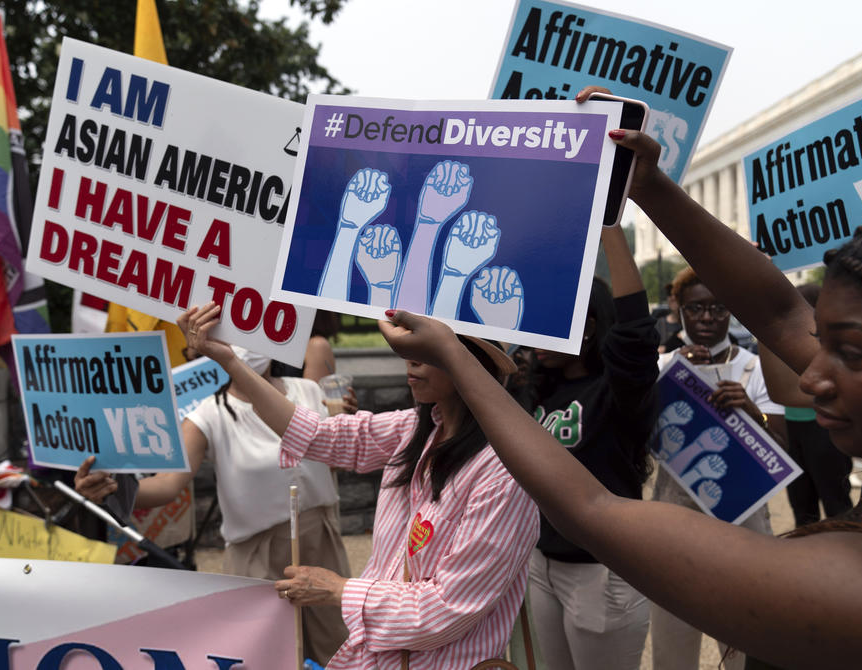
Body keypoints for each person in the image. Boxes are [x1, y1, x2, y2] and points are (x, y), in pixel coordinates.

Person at [375, 87, 862, 668]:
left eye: (851, 352)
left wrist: (455, 358)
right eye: (821, 342)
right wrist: (649, 186)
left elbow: (593, 510)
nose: (810, 378)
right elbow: (780, 311)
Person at [180, 302, 539, 670]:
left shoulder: (503, 473)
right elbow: (317, 434)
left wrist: (338, 589)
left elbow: (445, 609)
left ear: (471, 362)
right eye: (407, 348)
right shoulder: (414, 429)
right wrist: (230, 361)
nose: (410, 361)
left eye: (426, 350)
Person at [75, 345, 352, 666]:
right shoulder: (209, 413)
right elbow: (167, 485)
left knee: (338, 647)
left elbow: (336, 460)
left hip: (320, 539)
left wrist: (347, 423)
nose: (246, 346)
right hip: (256, 555)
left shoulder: (309, 390)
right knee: (263, 655)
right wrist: (111, 488)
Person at [507, 225, 657, 670]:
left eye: (550, 321)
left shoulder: (616, 391)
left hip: (602, 572)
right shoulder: (533, 389)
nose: (536, 336)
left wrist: (609, 225)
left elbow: (635, 329)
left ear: (588, 327)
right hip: (542, 564)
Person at [650, 266, 787, 670]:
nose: (707, 318)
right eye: (696, 309)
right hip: (676, 518)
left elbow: (781, 445)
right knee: (672, 640)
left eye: (717, 308)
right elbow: (639, 436)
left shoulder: (755, 368)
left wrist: (748, 409)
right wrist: (672, 380)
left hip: (743, 515)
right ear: (680, 309)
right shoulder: (661, 367)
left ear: (730, 312)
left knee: (744, 637)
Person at [761, 284, 854, 527]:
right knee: (802, 510)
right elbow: (782, 391)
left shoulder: (830, 349)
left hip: (823, 431)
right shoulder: (785, 343)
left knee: (837, 507)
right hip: (795, 430)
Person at [654, 282, 682, 353]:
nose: (673, 297)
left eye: (677, 294)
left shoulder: (690, 326)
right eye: (669, 293)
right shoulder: (656, 323)